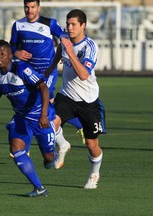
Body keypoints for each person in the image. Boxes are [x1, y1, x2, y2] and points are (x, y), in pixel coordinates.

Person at [0, 40, 57, 197]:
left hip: (39, 115)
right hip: (21, 117)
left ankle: (52, 155)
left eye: (2, 54)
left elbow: (43, 87)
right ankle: (39, 188)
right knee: (16, 149)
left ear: (10, 55)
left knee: (49, 158)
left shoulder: (21, 68)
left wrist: (43, 114)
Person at [10, 0, 84, 152]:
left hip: (47, 72)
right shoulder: (18, 25)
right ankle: (77, 126)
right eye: (27, 7)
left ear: (38, 8)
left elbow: (65, 38)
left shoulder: (49, 23)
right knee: (45, 106)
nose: (29, 10)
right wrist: (16, 52)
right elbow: (11, 46)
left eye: (32, 7)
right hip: (28, 73)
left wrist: (69, 55)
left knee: (40, 105)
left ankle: (27, 146)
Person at [46, 9, 106, 189]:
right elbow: (59, 53)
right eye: (68, 24)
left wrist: (71, 52)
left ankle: (94, 174)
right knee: (50, 122)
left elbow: (83, 75)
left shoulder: (90, 46)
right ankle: (63, 145)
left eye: (73, 25)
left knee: (91, 144)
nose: (69, 28)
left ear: (83, 26)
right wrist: (47, 72)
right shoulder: (64, 39)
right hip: (67, 96)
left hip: (89, 101)